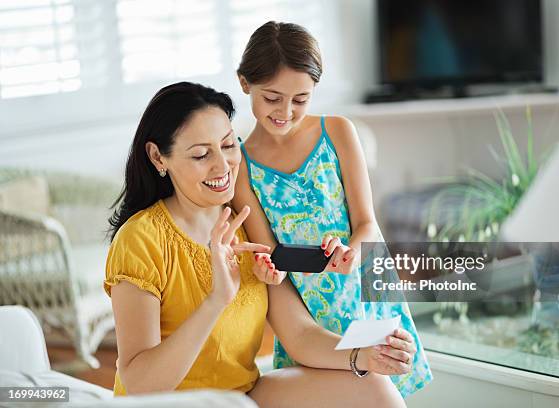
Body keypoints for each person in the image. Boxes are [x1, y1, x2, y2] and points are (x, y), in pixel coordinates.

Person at [104, 81, 416, 407]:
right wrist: (216, 300)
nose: (222, 166)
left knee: (374, 388)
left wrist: (365, 356)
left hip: (242, 396)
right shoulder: (140, 240)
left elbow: (298, 333)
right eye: (200, 154)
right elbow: (140, 387)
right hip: (169, 404)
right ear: (158, 157)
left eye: (228, 146)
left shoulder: (249, 224)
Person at [232, 21, 433, 397]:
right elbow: (269, 254)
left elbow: (367, 223)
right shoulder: (241, 166)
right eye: (272, 98)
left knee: (384, 389)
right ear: (245, 83)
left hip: (363, 291)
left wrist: (352, 252)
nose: (285, 112)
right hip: (309, 312)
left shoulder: (338, 132)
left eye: (300, 99)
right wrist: (267, 269)